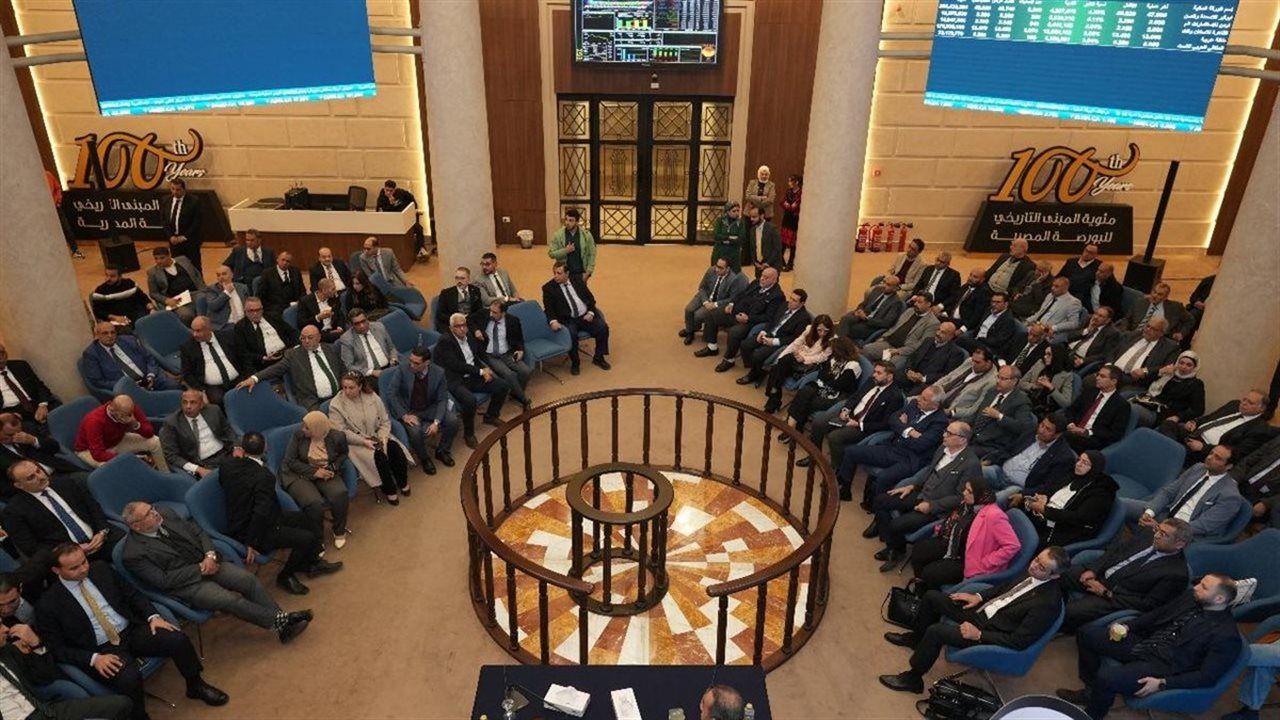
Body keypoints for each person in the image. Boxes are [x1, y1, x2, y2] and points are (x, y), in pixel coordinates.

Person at [38, 543, 228, 718]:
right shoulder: (48, 604)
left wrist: (153, 617)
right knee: (128, 678)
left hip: (131, 629)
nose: (83, 569)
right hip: (102, 650)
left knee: (177, 639)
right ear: (56, 570)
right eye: (74, 568)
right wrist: (94, 659)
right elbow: (57, 649)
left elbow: (133, 595)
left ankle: (195, 685)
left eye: (84, 562)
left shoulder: (101, 569)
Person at [880, 547, 1069, 694]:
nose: (1034, 565)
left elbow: (1018, 641)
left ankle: (913, 679)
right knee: (931, 597)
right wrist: (978, 596)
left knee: (937, 631)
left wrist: (979, 635)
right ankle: (916, 639)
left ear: (1055, 576)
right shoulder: (1033, 572)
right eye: (1037, 559)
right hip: (983, 611)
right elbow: (1004, 588)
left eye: (1042, 567)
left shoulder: (1047, 605)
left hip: (990, 631)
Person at [120, 502, 311, 643]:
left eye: (152, 508)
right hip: (188, 584)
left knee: (248, 580)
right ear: (136, 526)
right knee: (229, 600)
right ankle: (283, 621)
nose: (155, 512)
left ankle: (282, 626)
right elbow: (163, 580)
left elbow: (198, 532)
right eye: (148, 514)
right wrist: (200, 568)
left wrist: (210, 555)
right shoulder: (133, 554)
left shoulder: (165, 513)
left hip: (209, 561)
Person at [1058, 575, 1242, 720]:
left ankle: (1092, 716)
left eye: (1204, 587)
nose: (1196, 587)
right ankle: (1090, 690)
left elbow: (1207, 677)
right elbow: (1158, 614)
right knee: (1086, 633)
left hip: (1164, 666)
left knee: (1107, 677)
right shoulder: (1192, 598)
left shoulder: (1226, 636)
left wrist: (1163, 682)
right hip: (1146, 643)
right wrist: (1129, 626)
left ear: (1219, 598)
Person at [218, 432, 342, 595]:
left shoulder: (227, 465)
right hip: (255, 531)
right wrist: (251, 542)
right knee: (306, 538)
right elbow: (260, 512)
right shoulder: (264, 476)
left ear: (242, 449)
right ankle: (285, 576)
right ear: (265, 448)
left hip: (264, 517)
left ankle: (311, 563)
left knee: (309, 519)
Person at [868, 421, 981, 569]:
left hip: (937, 507)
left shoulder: (971, 464)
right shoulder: (943, 448)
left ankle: (895, 551)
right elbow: (929, 471)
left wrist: (931, 506)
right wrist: (912, 486)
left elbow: (961, 498)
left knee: (896, 524)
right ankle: (894, 545)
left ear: (962, 439)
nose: (944, 435)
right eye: (945, 431)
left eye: (949, 433)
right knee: (880, 500)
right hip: (921, 494)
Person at [1059, 518, 1191, 633]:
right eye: (1158, 529)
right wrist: (1093, 570)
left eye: (1163, 534)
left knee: (1070, 612)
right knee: (1058, 572)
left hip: (1114, 596)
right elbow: (1114, 550)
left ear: (1179, 544)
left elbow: (1149, 605)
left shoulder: (1177, 574)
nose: (1156, 535)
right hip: (1100, 574)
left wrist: (1106, 593)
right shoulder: (1147, 534)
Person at [0, 618, 134, 720]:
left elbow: (45, 675)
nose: (6, 629)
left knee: (122, 704)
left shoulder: (7, 651)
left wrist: (36, 644)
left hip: (47, 711)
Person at [836, 385, 948, 504]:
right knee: (851, 452)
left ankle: (877, 506)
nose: (919, 399)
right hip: (892, 447)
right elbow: (893, 419)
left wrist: (902, 427)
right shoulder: (914, 404)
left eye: (924, 399)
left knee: (884, 477)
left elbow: (921, 444)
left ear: (935, 405)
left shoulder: (940, 422)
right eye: (921, 395)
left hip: (910, 458)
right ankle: (845, 490)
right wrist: (909, 431)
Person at [908, 476, 1020, 593]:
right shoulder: (968, 505)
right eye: (965, 489)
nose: (964, 493)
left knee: (929, 573)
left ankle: (928, 596)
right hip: (955, 545)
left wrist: (987, 562)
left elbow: (1013, 545)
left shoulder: (994, 515)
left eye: (969, 491)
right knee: (919, 550)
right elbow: (955, 521)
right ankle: (920, 591)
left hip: (969, 560)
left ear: (980, 495)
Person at [3, 460, 121, 562]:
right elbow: (31, 548)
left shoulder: (65, 482)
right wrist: (70, 551)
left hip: (100, 538)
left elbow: (93, 508)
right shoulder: (14, 512)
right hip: (69, 558)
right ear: (19, 485)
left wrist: (102, 532)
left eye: (38, 471)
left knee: (129, 551)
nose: (40, 477)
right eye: (31, 478)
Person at [797, 360, 903, 470]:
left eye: (879, 373)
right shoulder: (872, 381)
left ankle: (835, 469)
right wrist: (846, 409)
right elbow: (855, 397)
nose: (874, 375)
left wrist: (859, 424)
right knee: (818, 422)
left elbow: (886, 424)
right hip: (850, 416)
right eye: (874, 371)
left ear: (889, 377)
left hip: (863, 426)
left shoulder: (895, 397)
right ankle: (813, 457)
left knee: (835, 437)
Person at [329, 373, 412, 504]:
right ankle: (389, 490)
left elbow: (385, 421)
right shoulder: (336, 404)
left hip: (378, 435)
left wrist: (383, 439)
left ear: (360, 386)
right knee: (379, 459)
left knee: (395, 450)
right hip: (356, 443)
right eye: (344, 387)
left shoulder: (372, 396)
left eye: (351, 387)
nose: (347, 391)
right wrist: (363, 441)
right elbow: (341, 431)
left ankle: (403, 482)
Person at [1011, 450, 1118, 549]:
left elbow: (1078, 518)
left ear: (1094, 468)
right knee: (1013, 500)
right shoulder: (1072, 474)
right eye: (1079, 459)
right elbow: (1049, 487)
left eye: (1085, 463)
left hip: (1061, 529)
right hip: (1042, 515)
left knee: (1019, 534)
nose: (1078, 464)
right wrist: (1042, 496)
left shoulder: (1101, 493)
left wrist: (1045, 510)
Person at [434, 313, 511, 447]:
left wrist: (483, 369)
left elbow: (474, 358)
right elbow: (455, 365)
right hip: (456, 379)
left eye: (464, 325)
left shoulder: (469, 336)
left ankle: (491, 416)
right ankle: (468, 434)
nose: (462, 329)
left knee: (502, 386)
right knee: (470, 401)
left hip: (473, 375)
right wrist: (481, 371)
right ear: (451, 328)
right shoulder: (445, 341)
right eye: (458, 326)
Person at [1139, 444, 1248, 540]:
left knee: (1145, 539)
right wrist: (1149, 513)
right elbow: (1169, 492)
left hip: (1184, 531)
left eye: (1217, 458)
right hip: (1165, 512)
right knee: (1128, 507)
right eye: (1211, 453)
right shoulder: (1198, 468)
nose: (1210, 458)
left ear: (1228, 466)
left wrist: (1162, 527)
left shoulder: (1230, 496)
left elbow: (1203, 526)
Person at [280, 412, 351, 549]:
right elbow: (290, 461)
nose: (303, 429)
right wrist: (314, 472)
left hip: (325, 471)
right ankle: (317, 539)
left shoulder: (337, 436)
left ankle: (339, 531)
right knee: (314, 503)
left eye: (307, 428)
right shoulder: (298, 435)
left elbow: (343, 454)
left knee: (340, 493)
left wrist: (333, 467)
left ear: (318, 429)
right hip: (298, 473)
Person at [385, 347, 459, 475]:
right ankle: (424, 458)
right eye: (410, 361)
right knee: (415, 432)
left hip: (429, 407)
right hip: (410, 410)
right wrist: (404, 415)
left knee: (452, 420)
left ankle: (442, 451)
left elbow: (442, 399)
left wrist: (436, 422)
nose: (411, 365)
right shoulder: (403, 369)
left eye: (416, 363)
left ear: (427, 363)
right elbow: (391, 393)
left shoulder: (438, 373)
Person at [238, 325, 346, 411]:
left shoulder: (330, 349)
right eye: (303, 338)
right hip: (313, 401)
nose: (306, 341)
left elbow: (343, 370)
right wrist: (254, 378)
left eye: (310, 337)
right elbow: (275, 369)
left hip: (340, 396)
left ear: (319, 337)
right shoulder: (293, 355)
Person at [696, 267, 784, 365]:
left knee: (734, 332)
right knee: (711, 314)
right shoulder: (756, 283)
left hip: (749, 321)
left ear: (774, 280)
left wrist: (748, 319)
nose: (762, 279)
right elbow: (742, 294)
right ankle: (712, 347)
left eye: (766, 277)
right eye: (762, 275)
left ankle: (729, 359)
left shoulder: (777, 296)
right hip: (735, 311)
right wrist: (731, 303)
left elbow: (769, 317)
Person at [1157, 390, 1271, 465]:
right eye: (1244, 399)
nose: (1244, 403)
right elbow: (1210, 417)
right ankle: (1172, 452)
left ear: (1261, 408)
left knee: (1168, 447)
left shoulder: (1259, 429)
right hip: (1194, 433)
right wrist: (1194, 421)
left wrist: (1204, 448)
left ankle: (1168, 452)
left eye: (1250, 403)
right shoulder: (1234, 405)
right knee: (1168, 423)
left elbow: (1237, 453)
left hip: (1207, 450)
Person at [985, 415, 1078, 503]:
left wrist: (1024, 494)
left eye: (1048, 429)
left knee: (996, 499)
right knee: (980, 471)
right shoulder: (1032, 431)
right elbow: (1010, 448)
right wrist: (990, 460)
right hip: (1000, 472)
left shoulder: (1063, 456)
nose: (1041, 430)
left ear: (1058, 435)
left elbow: (1047, 486)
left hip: (1018, 488)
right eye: (1042, 425)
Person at [541, 261, 611, 375]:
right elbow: (548, 309)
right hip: (568, 319)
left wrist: (591, 313)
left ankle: (599, 357)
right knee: (571, 334)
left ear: (567, 273)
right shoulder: (548, 288)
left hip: (584, 316)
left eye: (559, 273)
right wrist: (553, 321)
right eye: (554, 273)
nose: (555, 276)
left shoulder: (578, 281)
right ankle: (575, 363)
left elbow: (591, 299)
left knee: (603, 328)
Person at [732, 290, 813, 385]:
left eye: (794, 300)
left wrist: (774, 341)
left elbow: (795, 338)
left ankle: (752, 375)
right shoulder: (784, 305)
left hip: (780, 341)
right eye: (790, 298)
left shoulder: (804, 318)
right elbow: (772, 320)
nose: (790, 301)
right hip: (769, 333)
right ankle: (758, 369)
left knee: (758, 354)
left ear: (801, 304)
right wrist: (763, 331)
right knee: (745, 345)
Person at [783, 337, 861, 434]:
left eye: (835, 351)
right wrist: (828, 377)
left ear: (842, 351)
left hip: (838, 397)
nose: (832, 353)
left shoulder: (853, 366)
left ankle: (791, 425)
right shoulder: (835, 359)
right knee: (804, 391)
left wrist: (827, 377)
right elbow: (821, 374)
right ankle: (793, 427)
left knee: (805, 401)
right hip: (823, 387)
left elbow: (837, 385)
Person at [72, 395, 167, 470]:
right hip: (89, 450)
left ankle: (166, 474)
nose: (127, 417)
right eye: (122, 415)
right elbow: (97, 454)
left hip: (117, 440)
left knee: (155, 441)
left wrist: (135, 424)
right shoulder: (94, 421)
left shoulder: (130, 409)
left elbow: (149, 433)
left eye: (129, 413)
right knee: (111, 467)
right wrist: (128, 458)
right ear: (111, 409)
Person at [760, 314, 832, 413]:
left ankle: (773, 396)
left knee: (778, 367)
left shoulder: (831, 340)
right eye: (819, 330)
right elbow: (795, 344)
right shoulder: (809, 330)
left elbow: (821, 358)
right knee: (780, 364)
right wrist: (780, 358)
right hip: (793, 359)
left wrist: (804, 359)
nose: (822, 333)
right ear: (815, 327)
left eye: (826, 331)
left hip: (807, 364)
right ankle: (773, 399)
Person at [0, 412, 85, 494]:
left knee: (86, 480)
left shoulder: (27, 428)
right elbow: (4, 488)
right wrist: (29, 486)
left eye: (17, 432)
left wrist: (34, 441)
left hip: (60, 472)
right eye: (9, 435)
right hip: (33, 490)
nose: (16, 436)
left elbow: (55, 447)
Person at [159, 389, 237, 478]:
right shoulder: (172, 423)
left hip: (226, 453)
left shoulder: (214, 410)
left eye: (193, 402)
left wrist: (237, 447)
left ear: (201, 404)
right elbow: (171, 456)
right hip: (203, 464)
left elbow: (227, 430)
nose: (188, 406)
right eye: (185, 402)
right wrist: (198, 469)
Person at [81, 321, 177, 392]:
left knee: (174, 386)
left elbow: (149, 358)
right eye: (105, 333)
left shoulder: (129, 340)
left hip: (149, 377)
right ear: (97, 335)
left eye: (112, 332)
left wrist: (151, 375)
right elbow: (98, 381)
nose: (110, 336)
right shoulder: (91, 354)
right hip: (127, 388)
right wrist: (128, 385)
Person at [472, 299, 533, 409]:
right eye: (490, 311)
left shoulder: (513, 321)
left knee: (526, 371)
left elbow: (519, 339)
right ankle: (524, 400)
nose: (491, 314)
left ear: (503, 313)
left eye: (495, 312)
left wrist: (521, 350)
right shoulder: (483, 314)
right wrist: (476, 330)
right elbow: (469, 320)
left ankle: (515, 393)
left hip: (507, 353)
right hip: (490, 355)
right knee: (509, 374)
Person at [967, 365, 1036, 460]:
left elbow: (1023, 427)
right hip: (972, 436)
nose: (998, 381)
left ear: (1014, 381)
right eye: (998, 377)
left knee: (961, 452)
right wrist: (964, 425)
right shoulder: (992, 391)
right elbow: (977, 414)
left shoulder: (1021, 401)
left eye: (1002, 378)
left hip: (990, 445)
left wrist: (999, 416)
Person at [1063, 365, 1131, 452]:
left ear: (1113, 381)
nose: (1097, 378)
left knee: (1061, 435)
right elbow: (1071, 409)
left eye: (1102, 376)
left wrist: (1087, 432)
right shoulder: (1090, 391)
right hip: (1073, 428)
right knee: (1053, 421)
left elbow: (1115, 434)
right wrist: (1071, 423)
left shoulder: (1121, 405)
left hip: (1093, 439)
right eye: (1098, 375)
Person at [1129, 350, 1204, 428]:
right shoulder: (1170, 373)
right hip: (1147, 401)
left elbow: (1198, 409)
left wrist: (1178, 417)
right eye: (1181, 363)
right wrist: (1160, 372)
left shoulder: (1196, 384)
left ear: (1195, 368)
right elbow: (1145, 383)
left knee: (1131, 409)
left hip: (1162, 413)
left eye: (1189, 365)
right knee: (1124, 396)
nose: (1184, 367)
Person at [680, 258, 747, 346]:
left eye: (721, 268)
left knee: (698, 315)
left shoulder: (733, 279)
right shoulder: (711, 271)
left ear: (728, 269)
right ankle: (689, 330)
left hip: (718, 302)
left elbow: (732, 299)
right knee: (688, 310)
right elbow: (702, 287)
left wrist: (715, 304)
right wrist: (705, 302)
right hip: (705, 296)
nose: (717, 269)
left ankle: (692, 330)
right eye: (717, 266)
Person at [861, 292, 941, 364]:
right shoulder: (910, 311)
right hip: (889, 343)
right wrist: (884, 337)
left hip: (904, 351)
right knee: (866, 349)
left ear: (928, 304)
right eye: (916, 301)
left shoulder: (933, 323)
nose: (915, 304)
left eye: (919, 302)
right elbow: (895, 327)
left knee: (889, 365)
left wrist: (898, 351)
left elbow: (921, 345)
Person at [1104, 318, 1180, 392]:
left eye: (1153, 329)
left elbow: (1167, 367)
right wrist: (1108, 365)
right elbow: (1113, 350)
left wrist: (1145, 371)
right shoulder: (1133, 335)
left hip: (1133, 381)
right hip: (1111, 372)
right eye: (1148, 326)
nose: (1148, 329)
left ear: (1161, 333)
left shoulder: (1169, 347)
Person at [180, 316, 243, 406]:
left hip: (238, 379)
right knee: (218, 400)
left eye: (198, 331)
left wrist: (248, 376)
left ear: (209, 329)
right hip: (213, 387)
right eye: (193, 330)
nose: (194, 334)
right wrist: (201, 390)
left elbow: (243, 356)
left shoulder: (227, 336)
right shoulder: (188, 348)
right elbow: (187, 374)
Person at [232, 297, 298, 375]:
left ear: (262, 309)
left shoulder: (273, 317)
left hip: (287, 353)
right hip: (267, 362)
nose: (255, 313)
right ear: (245, 311)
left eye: (258, 310)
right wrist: (263, 358)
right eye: (251, 311)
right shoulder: (241, 327)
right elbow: (243, 353)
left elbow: (292, 332)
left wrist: (294, 347)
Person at [897, 321, 967, 394]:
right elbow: (912, 357)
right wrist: (909, 370)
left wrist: (923, 378)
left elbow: (947, 375)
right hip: (911, 374)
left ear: (951, 337)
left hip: (927, 383)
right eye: (938, 329)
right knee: (893, 378)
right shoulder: (928, 340)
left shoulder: (956, 353)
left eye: (943, 332)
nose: (938, 333)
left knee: (913, 394)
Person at [145, 247, 205, 326]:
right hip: (176, 300)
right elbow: (153, 293)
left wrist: (202, 289)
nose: (158, 261)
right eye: (156, 258)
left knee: (206, 302)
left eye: (162, 258)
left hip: (194, 293)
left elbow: (196, 274)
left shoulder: (183, 260)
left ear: (169, 255)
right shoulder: (153, 273)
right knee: (186, 315)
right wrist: (166, 300)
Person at [934, 346, 999, 420]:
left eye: (977, 362)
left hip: (952, 413)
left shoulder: (991, 382)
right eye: (973, 360)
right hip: (938, 397)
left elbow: (975, 409)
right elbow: (949, 377)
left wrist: (950, 412)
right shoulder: (969, 361)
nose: (973, 364)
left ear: (988, 363)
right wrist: (932, 388)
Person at [836, 276, 905, 342]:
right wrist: (859, 310)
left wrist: (866, 319)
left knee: (849, 329)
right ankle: (839, 343)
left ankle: (840, 344)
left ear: (895, 288)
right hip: (862, 316)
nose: (884, 286)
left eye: (888, 285)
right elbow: (863, 304)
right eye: (884, 282)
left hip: (872, 325)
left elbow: (886, 323)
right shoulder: (877, 290)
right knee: (845, 318)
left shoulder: (896, 302)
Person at [1021, 343, 1080, 416]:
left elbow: (1066, 403)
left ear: (1057, 356)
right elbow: (1021, 383)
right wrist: (1034, 386)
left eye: (1049, 354)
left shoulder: (1066, 375)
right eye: (1045, 354)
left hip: (1042, 407)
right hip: (1026, 398)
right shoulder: (1040, 363)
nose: (1045, 357)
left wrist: (1051, 387)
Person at [337, 308, 398, 377]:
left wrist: (394, 359)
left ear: (367, 319)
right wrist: (371, 372)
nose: (362, 326)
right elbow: (349, 366)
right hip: (368, 375)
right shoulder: (347, 339)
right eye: (357, 324)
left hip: (390, 367)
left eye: (363, 321)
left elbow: (391, 348)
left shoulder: (379, 327)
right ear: (351, 325)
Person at [1120, 282, 1192, 341]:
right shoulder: (1140, 302)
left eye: (1159, 294)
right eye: (1154, 292)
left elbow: (1190, 320)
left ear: (1165, 297)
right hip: (1134, 336)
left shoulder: (1175, 308)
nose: (1155, 296)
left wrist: (1182, 333)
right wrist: (1124, 333)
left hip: (1156, 341)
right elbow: (1126, 319)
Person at [957, 292, 1017, 361]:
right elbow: (979, 327)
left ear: (1006, 304)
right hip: (976, 339)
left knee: (961, 340)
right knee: (959, 338)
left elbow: (999, 341)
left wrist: (981, 339)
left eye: (998, 302)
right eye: (993, 301)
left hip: (988, 346)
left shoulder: (1008, 320)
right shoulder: (988, 310)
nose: (994, 304)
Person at [376, 180, 425, 257]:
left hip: (404, 219)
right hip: (390, 222)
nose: (388, 192)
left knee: (419, 228)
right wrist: (391, 205)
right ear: (384, 188)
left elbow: (412, 199)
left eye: (391, 191)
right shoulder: (382, 196)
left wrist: (414, 209)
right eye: (386, 190)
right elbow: (380, 210)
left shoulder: (401, 193)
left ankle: (420, 250)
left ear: (394, 190)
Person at [162, 178, 203, 271]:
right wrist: (170, 236)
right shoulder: (165, 200)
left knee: (194, 266)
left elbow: (197, 221)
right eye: (172, 189)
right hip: (174, 242)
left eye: (178, 189)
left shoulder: (194, 201)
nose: (175, 192)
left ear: (184, 189)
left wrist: (184, 236)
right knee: (178, 265)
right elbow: (164, 220)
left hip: (190, 241)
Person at [548, 208, 596, 282]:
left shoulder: (586, 235)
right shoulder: (558, 235)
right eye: (566, 219)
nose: (567, 223)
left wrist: (588, 273)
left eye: (571, 220)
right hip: (564, 274)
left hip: (580, 273)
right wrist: (565, 251)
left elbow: (592, 254)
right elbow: (551, 254)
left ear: (577, 222)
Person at [939, 268, 992, 332]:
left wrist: (962, 329)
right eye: (970, 275)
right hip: (951, 317)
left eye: (975, 277)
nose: (970, 278)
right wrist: (945, 312)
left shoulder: (984, 292)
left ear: (982, 279)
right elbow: (955, 301)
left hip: (963, 322)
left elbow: (977, 315)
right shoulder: (966, 286)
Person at [257, 251, 305, 320]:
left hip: (294, 306)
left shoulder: (295, 272)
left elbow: (302, 291)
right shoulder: (267, 273)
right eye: (283, 260)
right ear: (277, 260)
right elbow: (261, 295)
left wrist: (299, 302)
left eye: (288, 261)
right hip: (274, 308)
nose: (285, 263)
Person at [435, 266, 484, 333]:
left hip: (471, 323)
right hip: (453, 324)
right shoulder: (446, 293)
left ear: (468, 279)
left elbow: (479, 310)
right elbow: (440, 314)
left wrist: (469, 319)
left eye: (462, 278)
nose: (459, 281)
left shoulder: (475, 290)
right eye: (457, 278)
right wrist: (456, 318)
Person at [297, 277, 345, 343]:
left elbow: (340, 315)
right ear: (324, 290)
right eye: (333, 289)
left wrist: (339, 328)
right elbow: (301, 323)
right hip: (319, 334)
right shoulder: (305, 301)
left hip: (333, 331)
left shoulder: (333, 298)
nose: (335, 291)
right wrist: (318, 318)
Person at [204, 265, 249, 330]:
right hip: (224, 326)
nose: (221, 277)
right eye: (218, 275)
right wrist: (226, 293)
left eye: (224, 274)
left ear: (232, 275)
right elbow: (213, 306)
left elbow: (249, 305)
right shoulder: (212, 289)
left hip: (244, 323)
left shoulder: (242, 288)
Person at [742, 202, 782, 278]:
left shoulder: (772, 229)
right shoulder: (752, 230)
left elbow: (777, 248)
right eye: (751, 217)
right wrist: (755, 262)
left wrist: (767, 263)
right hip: (758, 267)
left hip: (771, 266)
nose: (751, 219)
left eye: (754, 217)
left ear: (762, 216)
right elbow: (752, 248)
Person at [710, 201, 747, 273]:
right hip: (720, 250)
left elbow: (741, 238)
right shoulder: (720, 220)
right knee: (716, 272)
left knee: (734, 274)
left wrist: (724, 238)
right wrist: (730, 237)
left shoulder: (740, 222)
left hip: (734, 251)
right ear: (727, 211)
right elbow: (716, 236)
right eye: (734, 211)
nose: (736, 213)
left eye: (738, 211)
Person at [778, 173, 802, 271]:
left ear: (796, 182)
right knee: (783, 241)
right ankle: (780, 261)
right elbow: (781, 202)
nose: (789, 183)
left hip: (794, 219)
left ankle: (790, 263)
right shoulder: (788, 191)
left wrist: (788, 205)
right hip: (786, 218)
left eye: (791, 181)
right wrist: (788, 205)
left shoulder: (800, 193)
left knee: (792, 243)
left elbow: (795, 206)